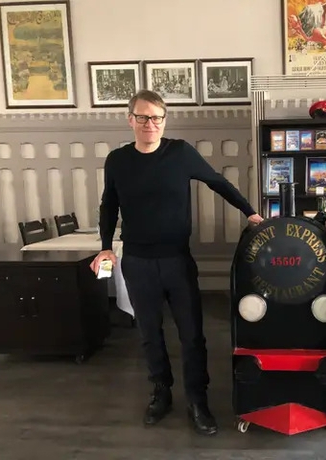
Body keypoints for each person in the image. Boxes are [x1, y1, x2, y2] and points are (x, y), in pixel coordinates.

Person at [90, 89, 263, 436]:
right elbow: (109, 205)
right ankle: (161, 392)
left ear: (164, 120)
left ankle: (198, 400)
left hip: (177, 261)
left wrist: (251, 213)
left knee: (192, 335)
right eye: (142, 117)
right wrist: (106, 247)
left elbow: (218, 182)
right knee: (149, 334)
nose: (149, 124)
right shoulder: (117, 160)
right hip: (137, 263)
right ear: (130, 120)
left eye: (156, 117)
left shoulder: (180, 153)